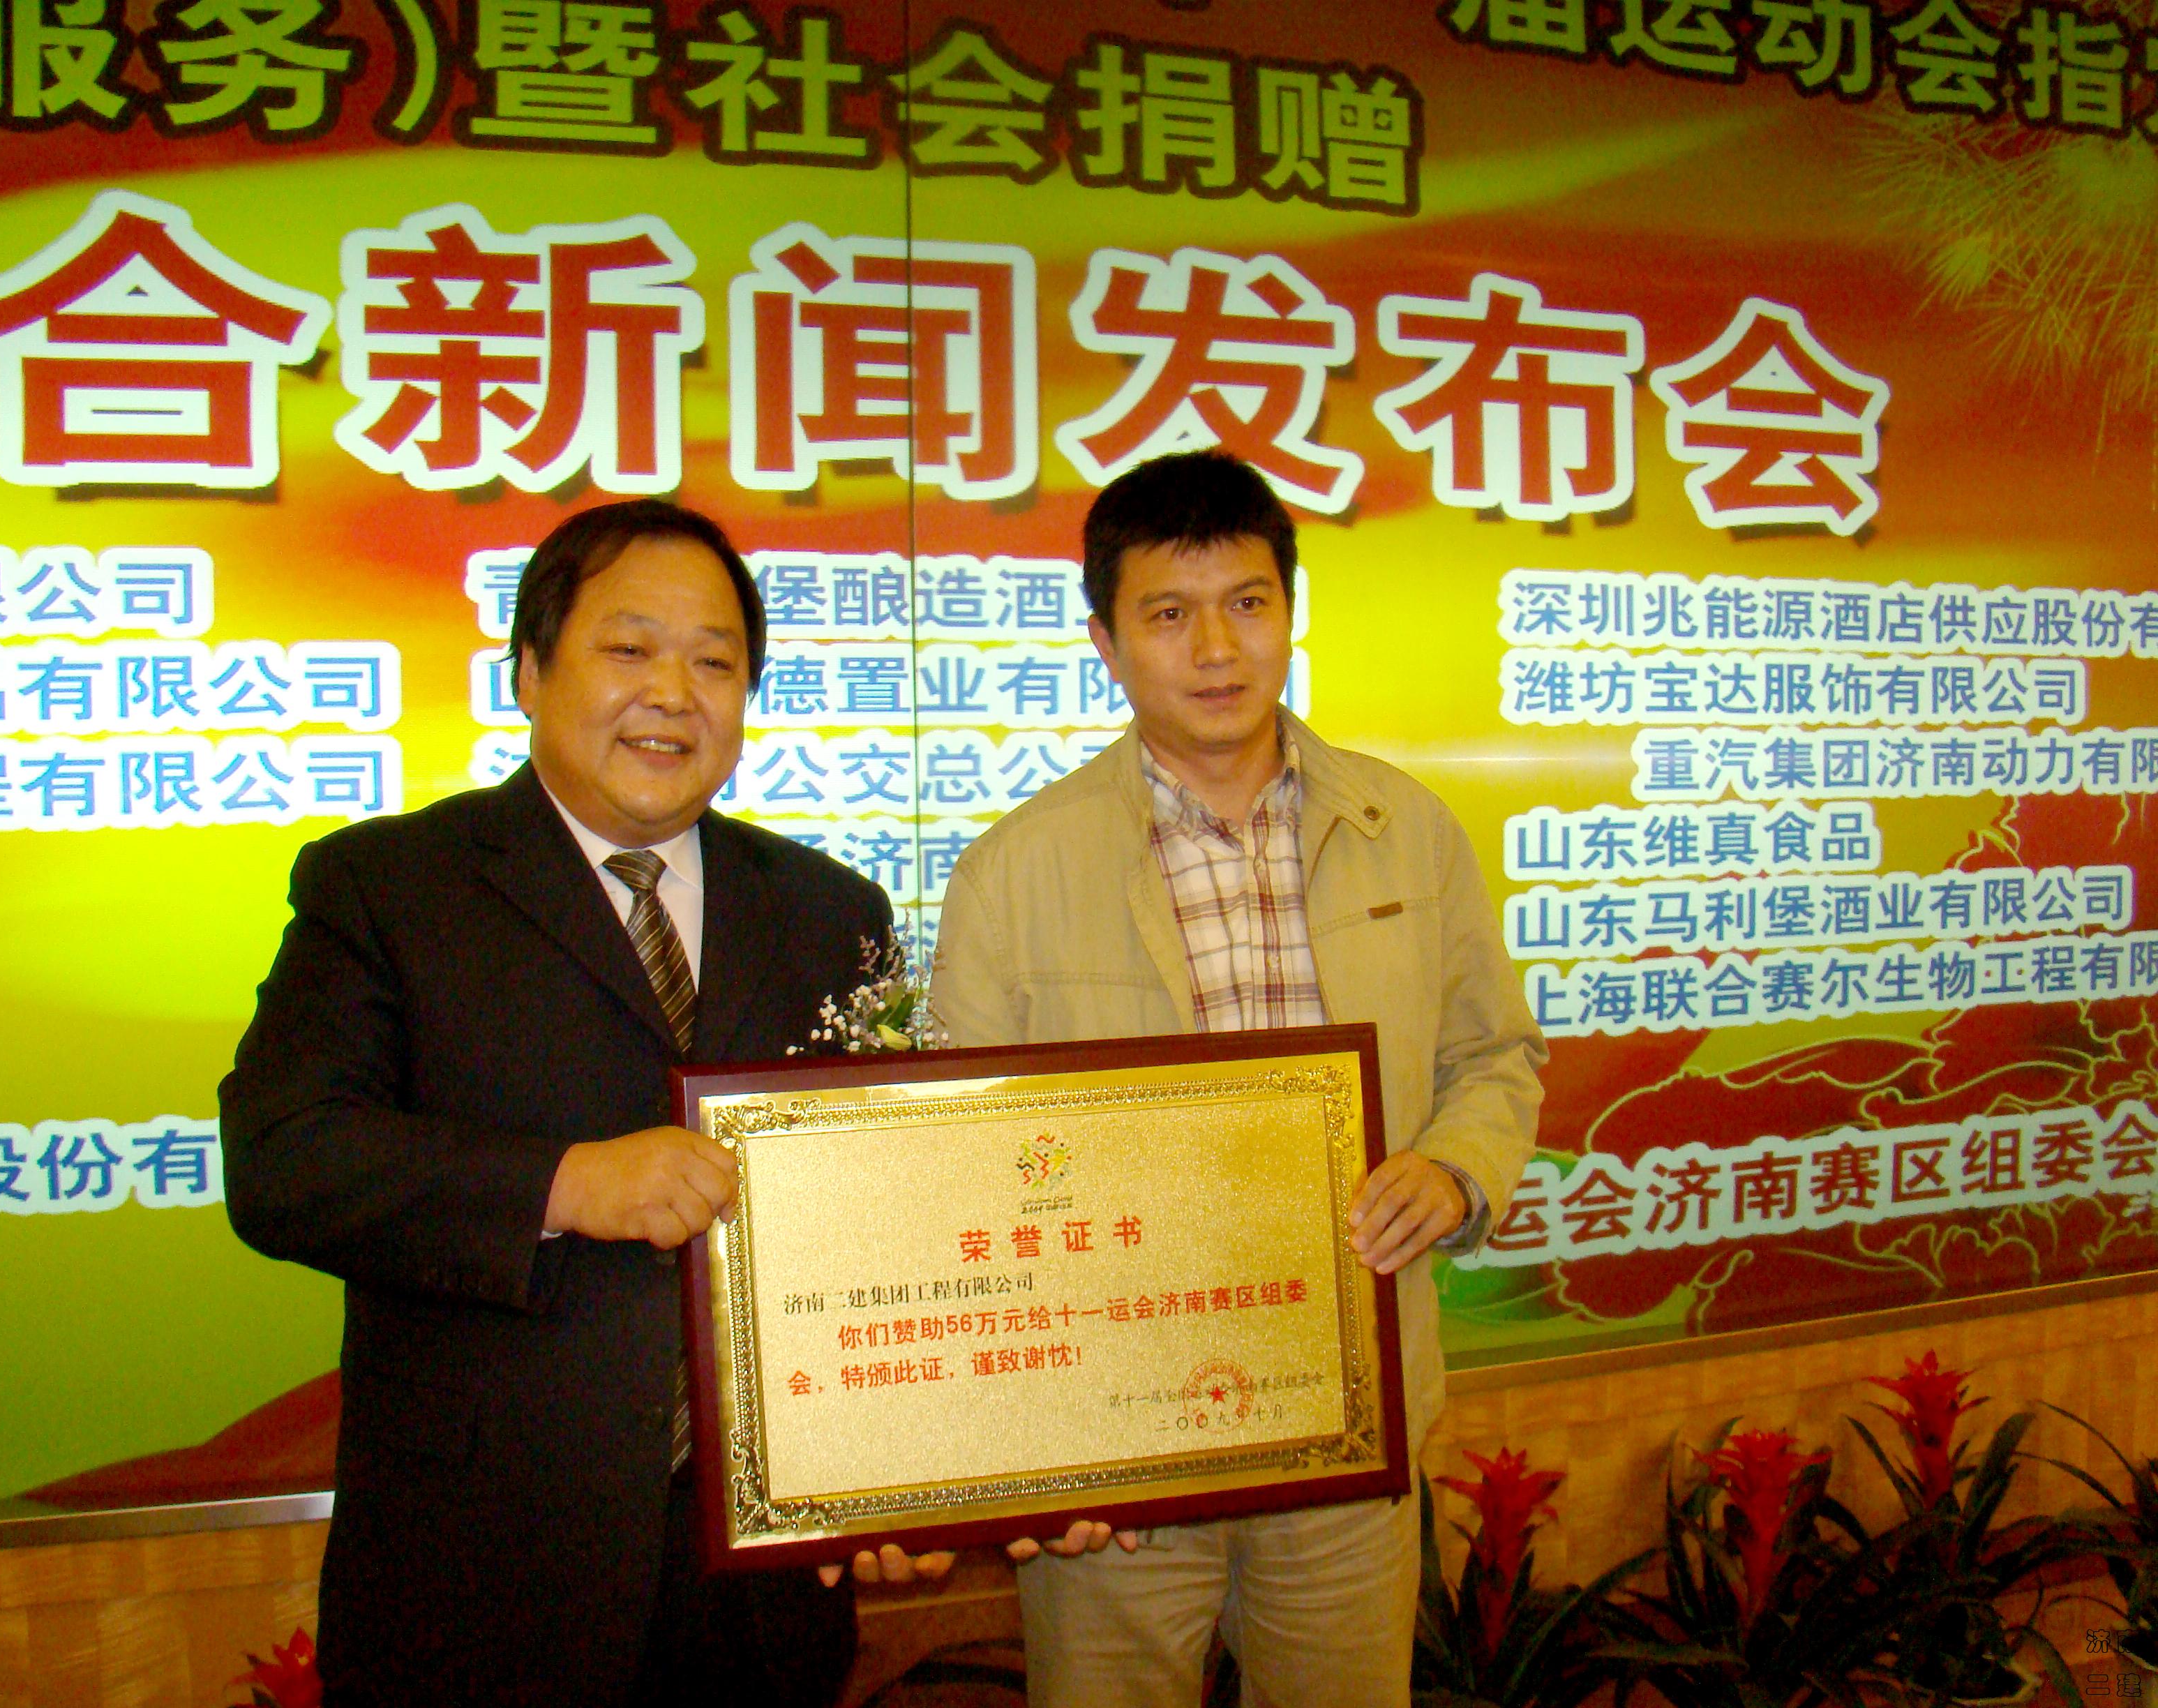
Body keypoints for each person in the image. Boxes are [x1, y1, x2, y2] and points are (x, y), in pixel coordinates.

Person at [220, 498, 929, 1708]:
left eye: (715, 663)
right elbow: (284, 1157)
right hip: (485, 1572)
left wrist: (901, 1462)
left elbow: (884, 1212)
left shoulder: (829, 911)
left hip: (762, 1582)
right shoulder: (390, 885)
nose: (673, 694)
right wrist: (564, 1184)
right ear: (530, 671)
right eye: (629, 648)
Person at [931, 450, 1548, 1708]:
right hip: (1114, 1443)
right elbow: (961, 1166)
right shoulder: (1014, 871)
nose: (1216, 647)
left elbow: (1496, 1055)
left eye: (1248, 602)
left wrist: (1454, 1169)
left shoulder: (1408, 831)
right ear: (1106, 641)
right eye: (1169, 612)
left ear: (1290, 612)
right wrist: (1021, 1428)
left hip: (1351, 1412)